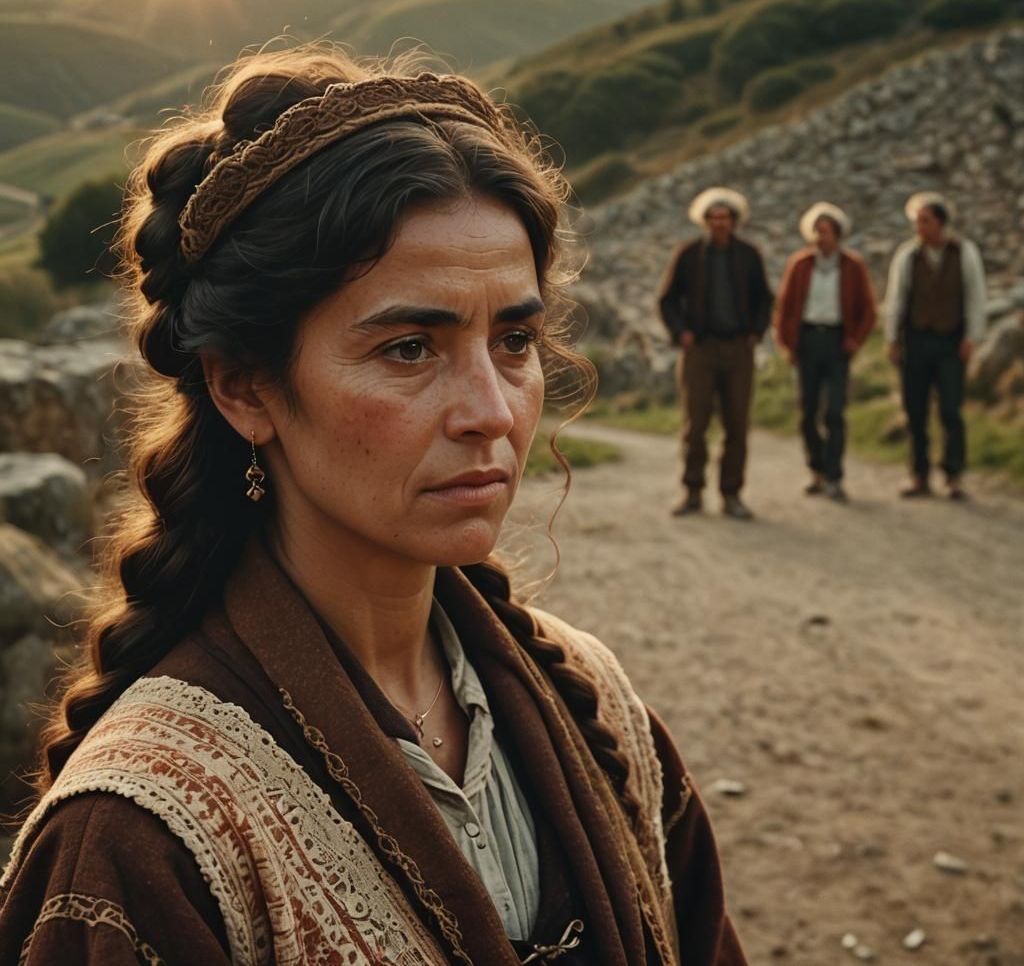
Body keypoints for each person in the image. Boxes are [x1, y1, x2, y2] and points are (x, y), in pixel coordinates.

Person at [0, 48, 746, 966]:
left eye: (513, 339)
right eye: (408, 348)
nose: (491, 412)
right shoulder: (142, 835)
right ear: (246, 388)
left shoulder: (596, 702)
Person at [657, 187, 773, 520]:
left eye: (725, 217)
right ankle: (693, 492)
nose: (719, 223)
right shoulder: (689, 254)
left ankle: (732, 494)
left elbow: (766, 299)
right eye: (713, 217)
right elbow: (666, 300)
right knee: (696, 425)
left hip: (739, 350)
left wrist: (756, 332)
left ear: (735, 221)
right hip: (700, 351)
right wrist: (681, 333)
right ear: (704, 220)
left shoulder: (749, 255)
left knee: (737, 425)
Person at [884, 192, 987, 500]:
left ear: (940, 222)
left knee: (951, 409)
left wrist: (972, 337)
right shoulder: (908, 256)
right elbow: (896, 298)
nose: (919, 227)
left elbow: (975, 296)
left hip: (950, 341)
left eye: (925, 221)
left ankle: (954, 475)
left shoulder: (964, 252)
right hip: (916, 340)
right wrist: (892, 338)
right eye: (917, 221)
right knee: (915, 410)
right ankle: (919, 474)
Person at [774, 203, 877, 502]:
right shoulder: (801, 264)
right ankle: (816, 469)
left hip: (836, 341)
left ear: (838, 234)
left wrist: (855, 340)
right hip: (807, 341)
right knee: (807, 412)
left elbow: (868, 309)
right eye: (817, 231)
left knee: (834, 411)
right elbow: (786, 306)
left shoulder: (852, 266)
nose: (821, 237)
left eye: (826, 231)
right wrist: (787, 344)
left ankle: (834, 475)